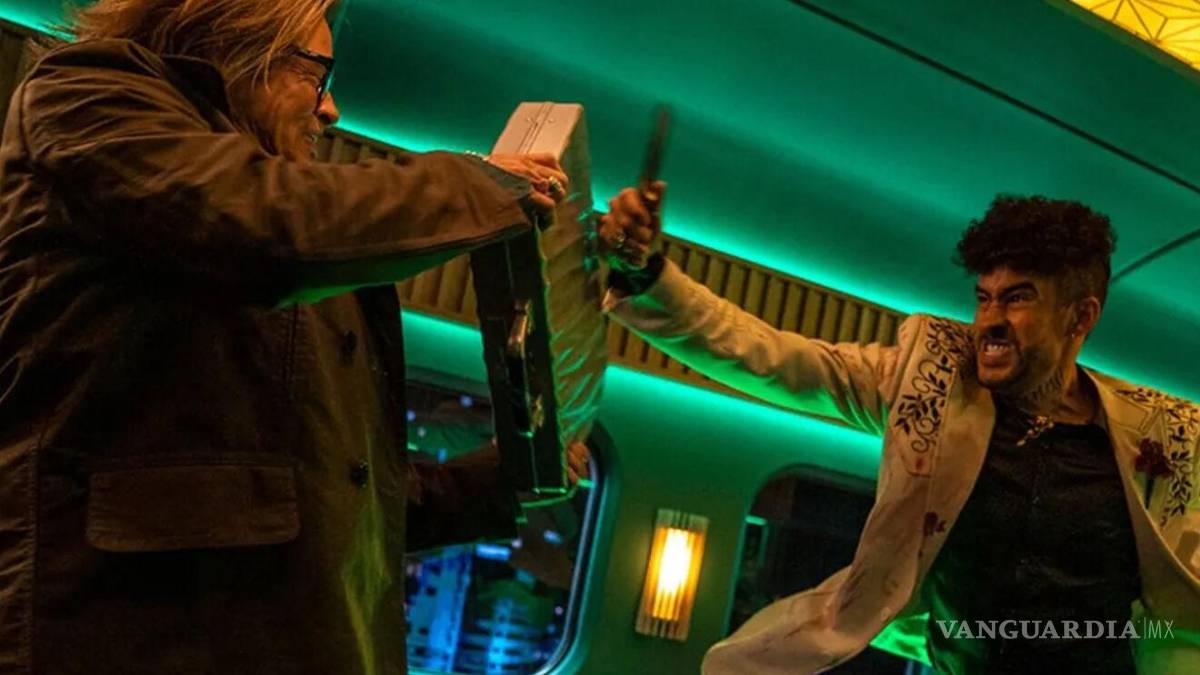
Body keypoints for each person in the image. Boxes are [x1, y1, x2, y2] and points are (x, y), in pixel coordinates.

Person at [0, 0, 589, 673]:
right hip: (129, 638)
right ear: (237, 42)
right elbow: (266, 225)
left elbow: (334, 495)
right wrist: (482, 185)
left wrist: (502, 478)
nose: (330, 109)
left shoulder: (307, 241)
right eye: (316, 74)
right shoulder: (85, 96)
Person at [600, 188, 1200, 673]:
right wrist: (647, 276)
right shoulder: (930, 384)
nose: (990, 321)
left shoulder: (1162, 435)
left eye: (1018, 300)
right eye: (984, 298)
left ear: (1080, 317)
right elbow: (774, 359)